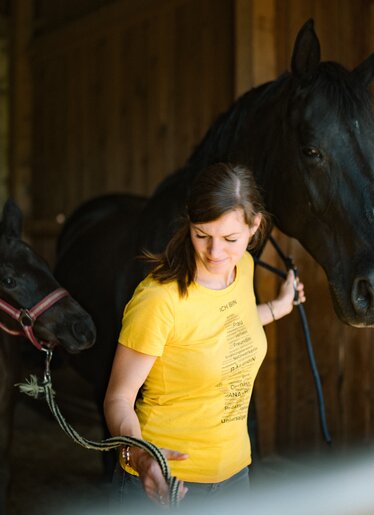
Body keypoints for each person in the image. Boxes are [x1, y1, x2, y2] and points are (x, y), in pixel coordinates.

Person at [104, 162, 306, 507]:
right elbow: (118, 399)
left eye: (230, 239)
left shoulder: (243, 268)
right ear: (189, 223)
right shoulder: (159, 300)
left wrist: (279, 306)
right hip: (164, 480)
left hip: (234, 477)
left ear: (255, 226)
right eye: (202, 235)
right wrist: (142, 457)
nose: (215, 253)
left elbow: (225, 327)